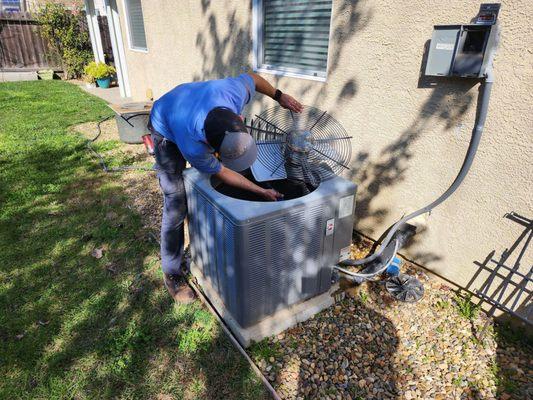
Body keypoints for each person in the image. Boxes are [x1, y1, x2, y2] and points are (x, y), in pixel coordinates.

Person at [148, 72, 303, 303]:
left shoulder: (232, 93)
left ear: (239, 118)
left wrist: (279, 95)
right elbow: (223, 172)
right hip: (165, 128)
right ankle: (171, 271)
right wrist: (260, 191)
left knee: (205, 183)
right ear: (211, 148)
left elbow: (253, 77)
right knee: (176, 202)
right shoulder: (193, 146)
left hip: (190, 103)